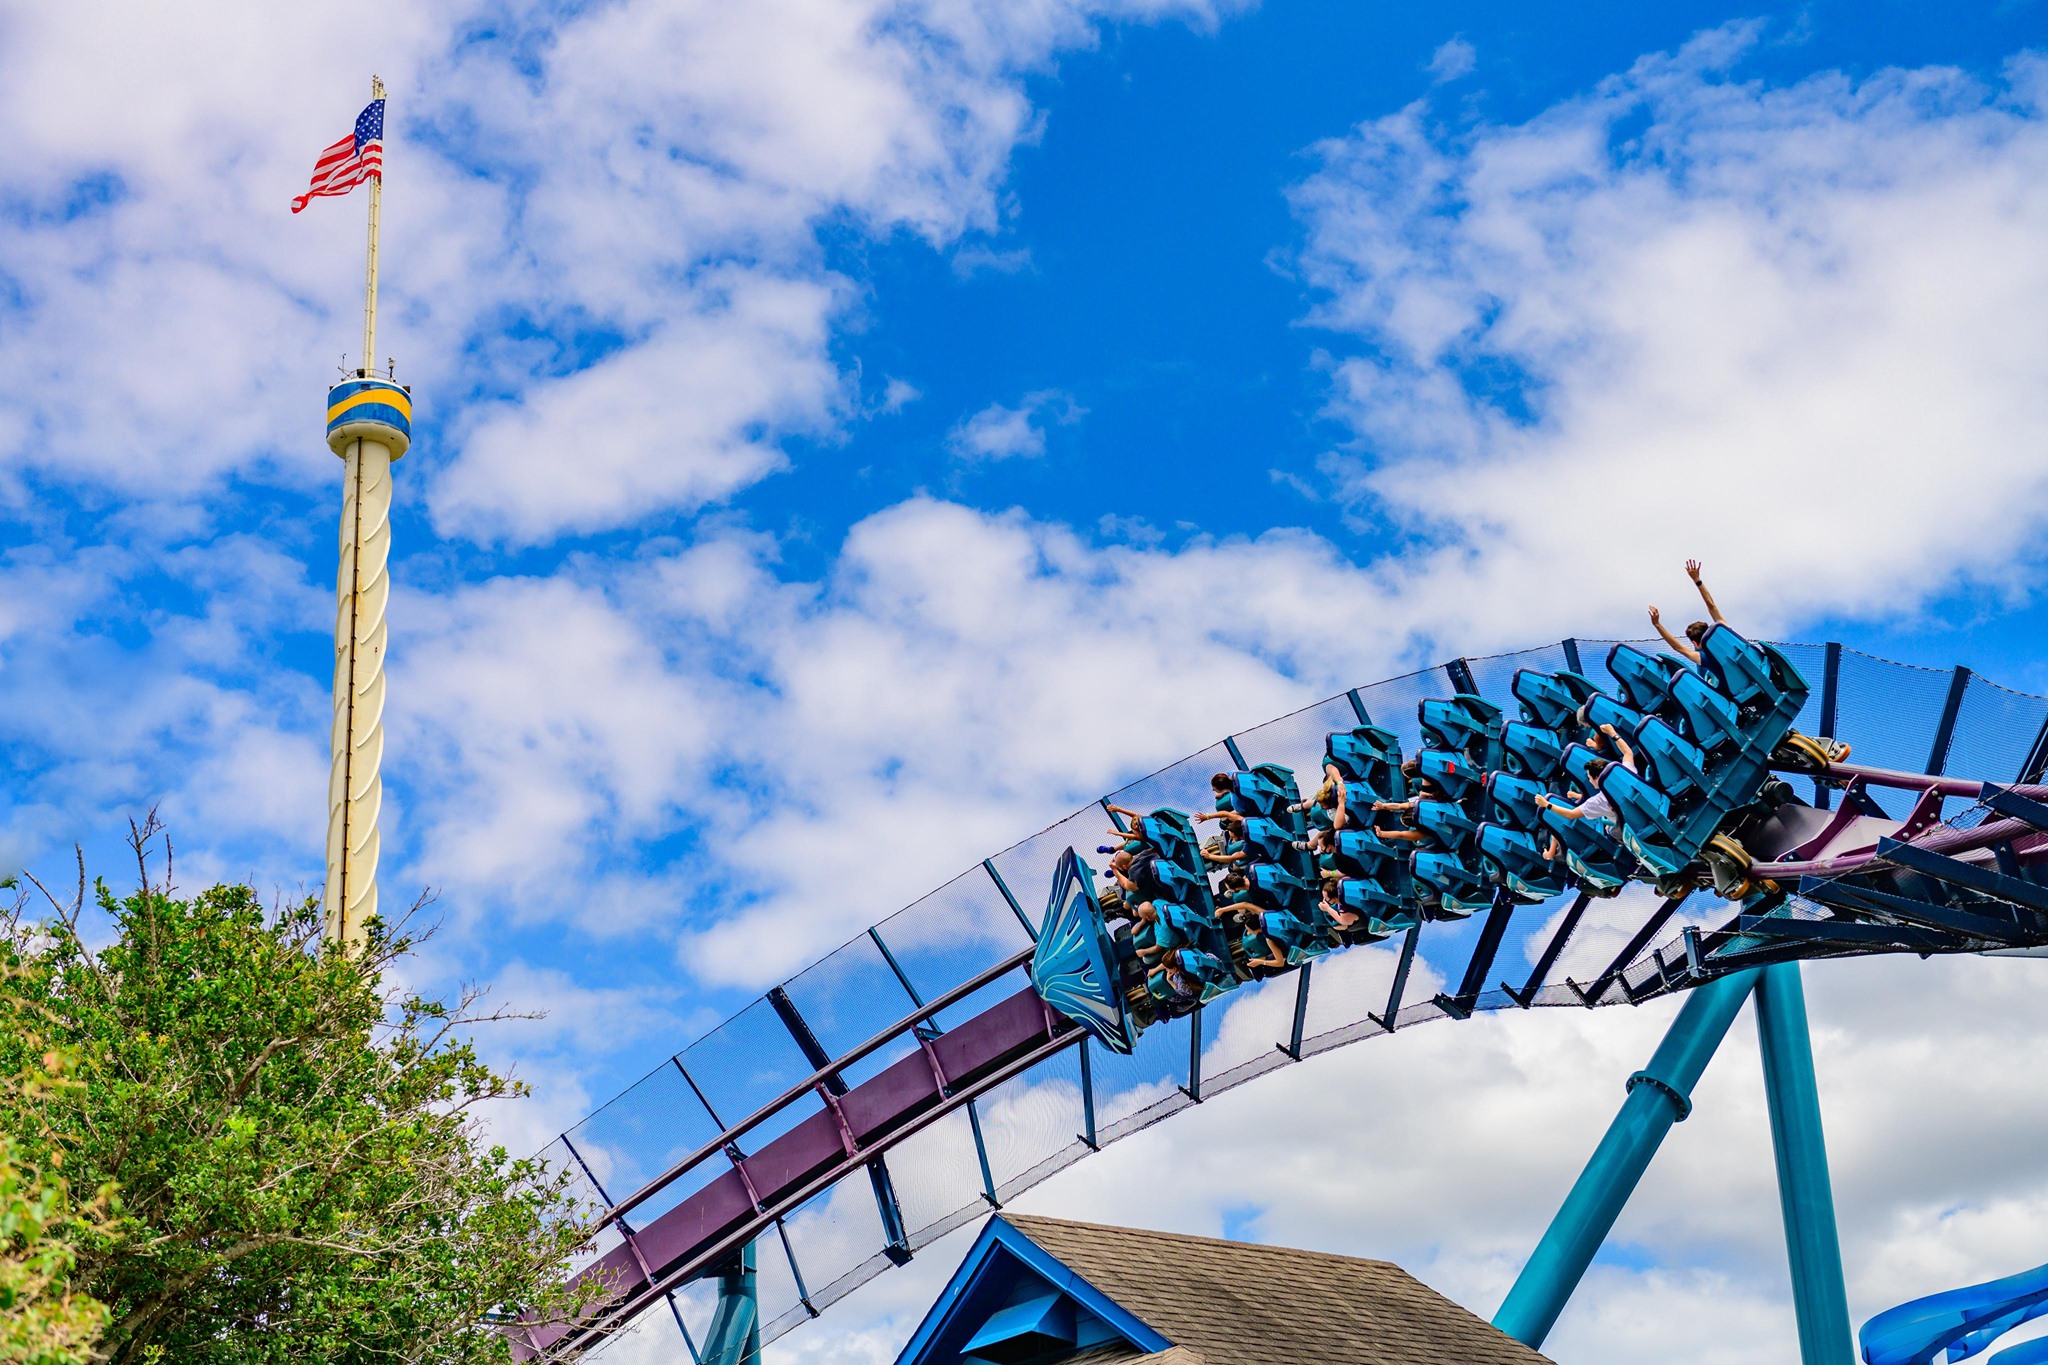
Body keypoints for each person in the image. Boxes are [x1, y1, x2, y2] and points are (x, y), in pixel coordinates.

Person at [1648, 558, 1726, 664]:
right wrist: (1697, 580)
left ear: (1695, 644)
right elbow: (1711, 605)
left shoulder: (1703, 659)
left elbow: (1677, 647)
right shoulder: (1726, 635)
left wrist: (1657, 624)